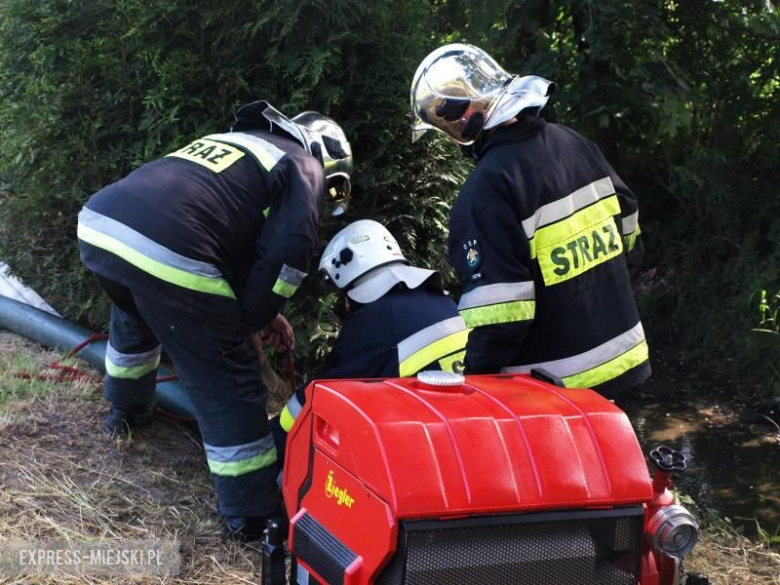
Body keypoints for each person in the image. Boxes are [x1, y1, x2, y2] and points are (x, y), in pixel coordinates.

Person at [77, 100, 352, 540]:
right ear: (326, 156)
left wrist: (265, 316)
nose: (326, 196)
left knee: (137, 313)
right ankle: (250, 514)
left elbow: (221, 233)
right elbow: (285, 257)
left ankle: (126, 414)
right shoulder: (304, 165)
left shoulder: (234, 144)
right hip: (169, 248)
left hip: (100, 225)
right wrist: (246, 325)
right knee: (230, 373)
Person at [410, 44, 650, 396]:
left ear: (462, 119)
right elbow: (631, 239)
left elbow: (501, 320)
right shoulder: (576, 143)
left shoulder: (487, 189)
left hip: (552, 396)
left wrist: (472, 386)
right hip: (625, 367)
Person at [271, 219, 469, 462]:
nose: (345, 304)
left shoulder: (375, 321)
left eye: (345, 293)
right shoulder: (443, 301)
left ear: (355, 284)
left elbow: (318, 397)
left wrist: (272, 440)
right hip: (463, 435)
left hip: (427, 450)